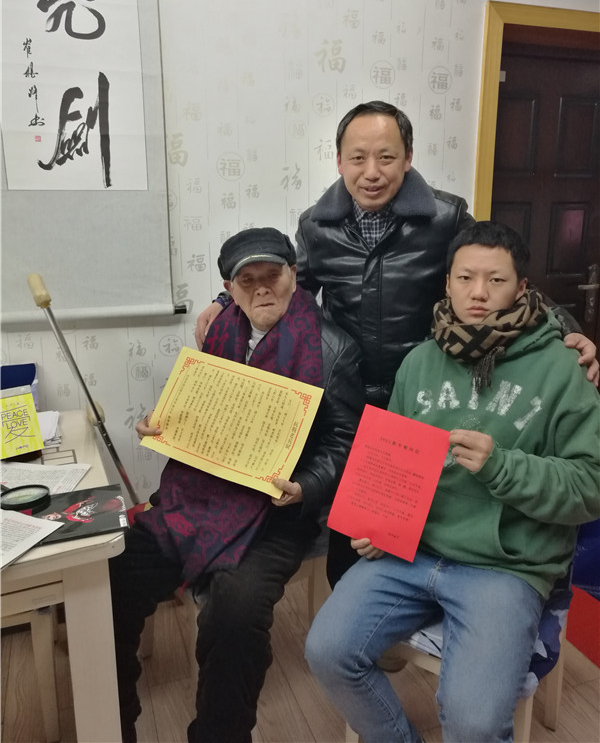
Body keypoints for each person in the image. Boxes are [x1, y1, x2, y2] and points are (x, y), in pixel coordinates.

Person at [195, 101, 598, 583]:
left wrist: (566, 326)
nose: (371, 172)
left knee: (426, 517)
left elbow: (493, 271)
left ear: (408, 158)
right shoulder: (316, 225)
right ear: (338, 161)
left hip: (425, 390)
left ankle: (446, 592)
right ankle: (368, 611)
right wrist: (226, 299)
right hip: (351, 397)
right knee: (354, 540)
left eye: (386, 157)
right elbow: (291, 283)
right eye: (358, 157)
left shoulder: (446, 217)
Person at [305, 221, 600, 743]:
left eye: (496, 279)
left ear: (522, 288)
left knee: (474, 723)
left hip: (505, 569)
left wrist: (502, 466)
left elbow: (590, 486)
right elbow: (393, 465)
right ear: (447, 283)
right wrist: (379, 526)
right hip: (413, 553)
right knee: (326, 651)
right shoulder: (420, 361)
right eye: (465, 278)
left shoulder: (565, 369)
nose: (478, 292)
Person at [109, 227, 363, 743]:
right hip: (198, 497)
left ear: (294, 275)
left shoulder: (333, 347)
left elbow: (346, 439)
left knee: (234, 615)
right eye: (248, 281)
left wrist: (306, 485)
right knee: (111, 578)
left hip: (278, 512)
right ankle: (114, 723)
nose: (263, 288)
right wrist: (162, 424)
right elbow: (206, 410)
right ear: (229, 288)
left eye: (274, 275)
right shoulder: (219, 332)